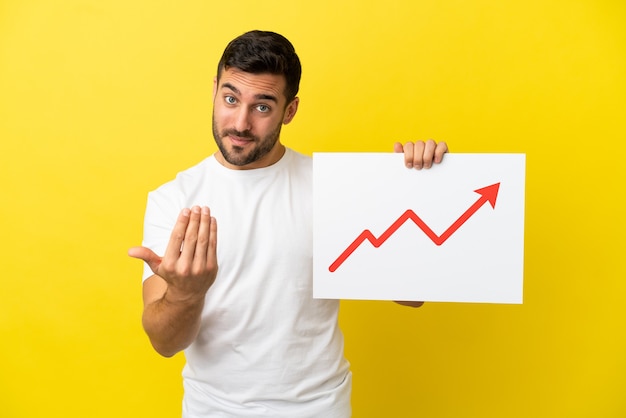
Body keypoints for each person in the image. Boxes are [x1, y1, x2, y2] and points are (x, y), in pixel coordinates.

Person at [128, 30, 448, 418]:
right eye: (230, 99)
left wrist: (413, 192)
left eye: (262, 107)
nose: (241, 123)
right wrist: (187, 293)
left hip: (319, 408)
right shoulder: (174, 199)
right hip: (213, 410)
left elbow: (411, 296)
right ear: (214, 90)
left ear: (290, 110)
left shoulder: (331, 187)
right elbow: (164, 342)